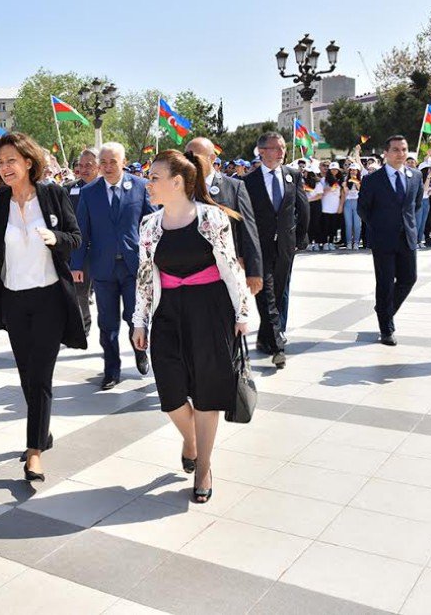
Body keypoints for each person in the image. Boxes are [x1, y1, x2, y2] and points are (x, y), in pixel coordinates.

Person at [131, 150, 252, 504]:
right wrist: (140, 320)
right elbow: (144, 276)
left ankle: (204, 467)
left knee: (206, 391)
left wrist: (242, 313)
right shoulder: (150, 225)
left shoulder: (212, 218)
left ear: (177, 182)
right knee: (170, 394)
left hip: (210, 309)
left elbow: (230, 267)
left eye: (154, 178)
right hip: (167, 311)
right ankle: (192, 440)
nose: (148, 183)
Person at [0, 133, 85, 481]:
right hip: (14, 300)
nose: (4, 167)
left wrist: (57, 238)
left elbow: (75, 237)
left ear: (28, 161)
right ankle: (42, 430)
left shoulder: (53, 195)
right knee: (27, 375)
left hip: (49, 298)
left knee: (41, 375)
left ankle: (34, 452)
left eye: (11, 160)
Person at [70, 142, 154, 389]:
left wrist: (154, 259)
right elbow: (82, 230)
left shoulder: (140, 187)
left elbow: (151, 225)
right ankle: (111, 370)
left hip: (133, 267)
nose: (107, 167)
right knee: (107, 323)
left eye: (112, 162)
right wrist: (76, 264)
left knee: (135, 316)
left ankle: (140, 350)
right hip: (103, 268)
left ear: (123, 162)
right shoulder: (89, 192)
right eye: (103, 162)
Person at [242, 132, 309, 368]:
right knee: (266, 293)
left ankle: (266, 337)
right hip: (259, 247)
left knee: (280, 292)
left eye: (283, 147)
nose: (282, 152)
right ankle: (278, 345)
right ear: (261, 152)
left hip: (285, 245)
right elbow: (243, 218)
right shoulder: (248, 182)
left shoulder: (293, 175)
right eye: (275, 148)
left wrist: (301, 237)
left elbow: (302, 207)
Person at [357, 135, 423, 346]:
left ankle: (384, 310)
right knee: (385, 283)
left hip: (407, 237)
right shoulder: (372, 179)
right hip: (382, 239)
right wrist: (379, 225)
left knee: (409, 278)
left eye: (404, 149)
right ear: (385, 153)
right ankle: (386, 328)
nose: (400, 153)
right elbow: (363, 209)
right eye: (395, 149)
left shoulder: (416, 176)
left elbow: (416, 205)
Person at [185, 137, 263, 296]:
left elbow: (248, 229)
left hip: (225, 269)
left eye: (196, 156)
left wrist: (254, 271)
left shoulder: (234, 187)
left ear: (212, 158)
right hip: (189, 269)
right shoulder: (180, 187)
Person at [64, 148, 100, 338]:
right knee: (79, 291)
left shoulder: (106, 187)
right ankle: (84, 324)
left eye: (89, 165)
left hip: (103, 249)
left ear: (98, 166)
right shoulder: (68, 189)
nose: (83, 169)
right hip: (79, 250)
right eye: (81, 165)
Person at [320, 162, 344, 250]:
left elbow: (342, 194)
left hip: (335, 206)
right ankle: (325, 242)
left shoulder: (340, 181)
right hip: (325, 206)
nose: (334, 171)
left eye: (336, 170)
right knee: (325, 225)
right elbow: (320, 192)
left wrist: (340, 206)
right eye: (332, 169)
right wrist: (328, 189)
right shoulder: (323, 180)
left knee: (333, 226)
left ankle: (331, 242)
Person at [344, 165, 363, 250]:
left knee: (357, 224)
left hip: (357, 202)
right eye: (351, 170)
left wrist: (356, 181)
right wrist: (346, 184)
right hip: (348, 202)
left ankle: (356, 242)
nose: (352, 172)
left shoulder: (361, 179)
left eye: (354, 170)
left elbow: (361, 190)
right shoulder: (346, 179)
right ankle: (348, 242)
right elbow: (345, 192)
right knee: (348, 224)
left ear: (358, 171)